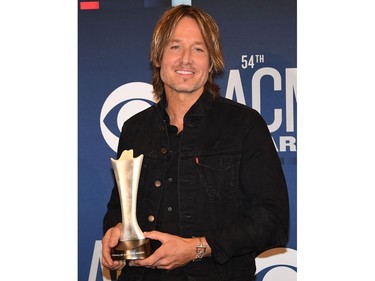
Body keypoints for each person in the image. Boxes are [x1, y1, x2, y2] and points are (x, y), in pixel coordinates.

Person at [102, 4, 289, 281]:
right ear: (158, 57)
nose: (185, 59)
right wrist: (116, 233)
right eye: (175, 46)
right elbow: (119, 208)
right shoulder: (134, 129)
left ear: (211, 61)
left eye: (198, 49)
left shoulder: (245, 126)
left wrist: (196, 248)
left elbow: (272, 220)